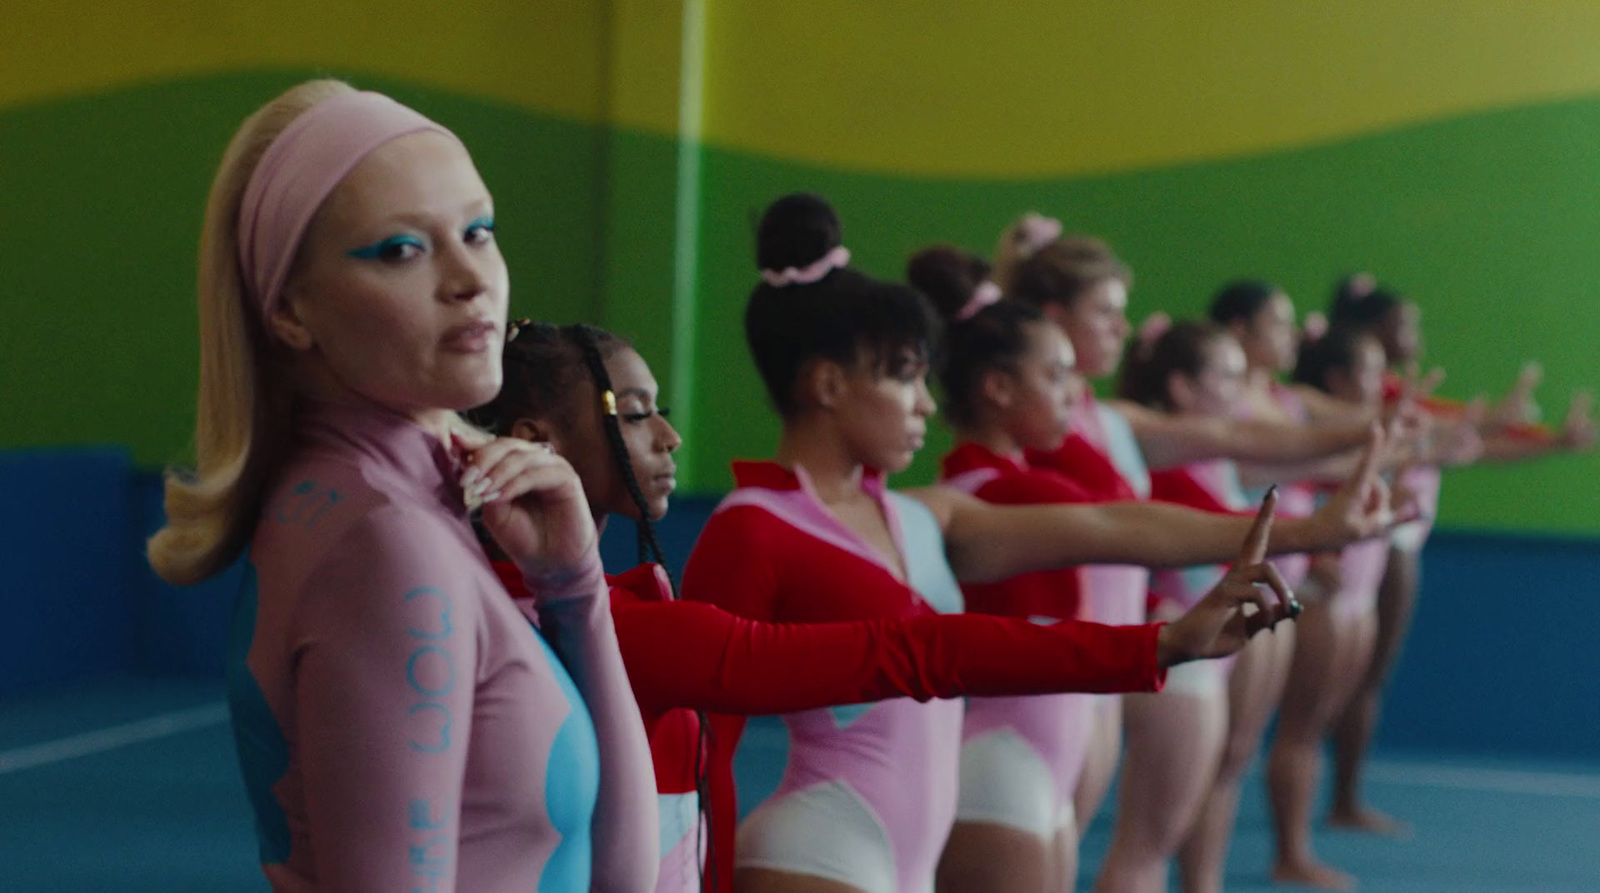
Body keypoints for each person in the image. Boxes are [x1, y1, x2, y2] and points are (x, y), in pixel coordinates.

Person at [687, 194, 1393, 893]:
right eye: (904, 376)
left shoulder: (925, 515)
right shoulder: (752, 526)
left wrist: (1303, 532)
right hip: (823, 847)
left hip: (912, 848)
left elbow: (1113, 527)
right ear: (829, 384)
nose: (926, 404)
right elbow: (696, 744)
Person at [473, 319, 1312, 893]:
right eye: (638, 410)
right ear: (537, 443)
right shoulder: (619, 630)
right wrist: (1157, 644)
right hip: (830, 841)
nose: (670, 436)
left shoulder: (615, 615)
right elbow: (916, 652)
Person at [146, 81, 657, 893]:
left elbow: (627, 875)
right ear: (290, 311)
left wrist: (576, 585)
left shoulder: (402, 504)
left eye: (478, 231)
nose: (469, 278)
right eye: (400, 249)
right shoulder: (384, 545)